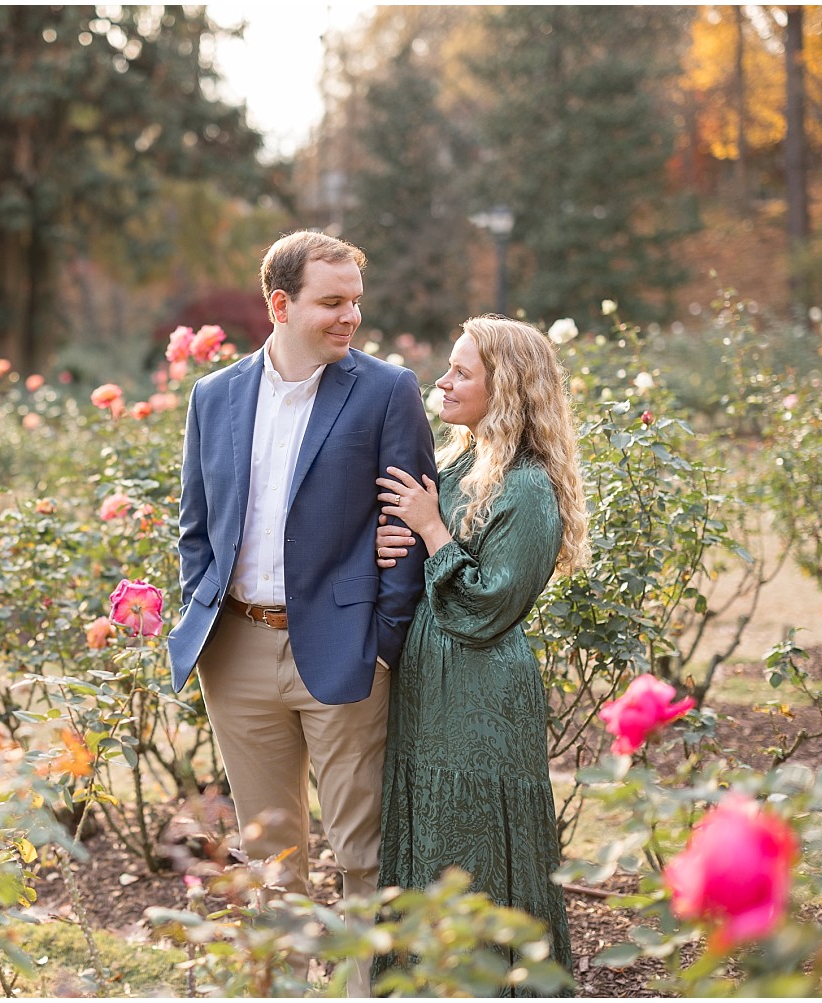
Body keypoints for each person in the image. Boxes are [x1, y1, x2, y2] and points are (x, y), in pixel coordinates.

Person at [167, 230, 437, 996]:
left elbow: (411, 528)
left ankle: (361, 991)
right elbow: (196, 525)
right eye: (333, 302)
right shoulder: (212, 396)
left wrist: (383, 640)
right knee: (271, 853)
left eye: (356, 300)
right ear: (280, 305)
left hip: (345, 650)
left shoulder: (387, 391)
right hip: (237, 652)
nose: (351, 315)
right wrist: (204, 604)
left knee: (361, 848)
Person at [371, 314, 587, 995]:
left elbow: (488, 607)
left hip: (479, 692)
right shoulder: (465, 461)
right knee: (430, 827)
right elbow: (428, 561)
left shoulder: (526, 486)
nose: (443, 379)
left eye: (462, 371)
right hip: (432, 687)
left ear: (508, 389)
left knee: (474, 837)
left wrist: (431, 527)